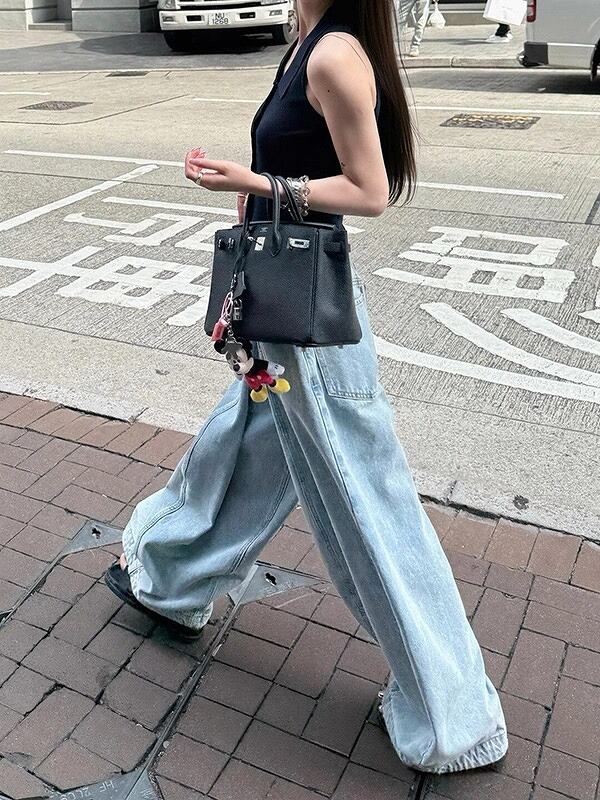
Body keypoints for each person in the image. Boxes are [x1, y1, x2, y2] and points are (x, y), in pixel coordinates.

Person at [104, 0, 509, 775]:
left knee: (365, 498)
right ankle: (172, 580)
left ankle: (456, 718)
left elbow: (370, 191)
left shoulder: (332, 55)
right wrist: (252, 198)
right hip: (278, 294)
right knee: (250, 441)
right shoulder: (305, 40)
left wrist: (258, 180)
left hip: (310, 313)